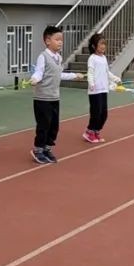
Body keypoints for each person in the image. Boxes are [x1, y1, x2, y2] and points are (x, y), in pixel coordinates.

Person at [29, 26, 83, 164]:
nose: (60, 42)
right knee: (44, 125)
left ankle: (47, 148)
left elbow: (59, 74)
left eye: (61, 40)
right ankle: (38, 150)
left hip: (54, 97)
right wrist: (34, 79)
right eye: (57, 39)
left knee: (54, 126)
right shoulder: (43, 57)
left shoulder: (58, 58)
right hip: (42, 98)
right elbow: (39, 72)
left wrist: (74, 75)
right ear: (48, 41)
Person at [85, 33, 121, 144]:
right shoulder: (92, 58)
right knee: (96, 113)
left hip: (104, 89)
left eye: (104, 44)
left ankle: (96, 130)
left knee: (104, 114)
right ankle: (89, 132)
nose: (103, 46)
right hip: (95, 91)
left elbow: (107, 72)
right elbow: (90, 72)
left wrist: (115, 79)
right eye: (101, 44)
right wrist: (91, 83)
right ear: (94, 46)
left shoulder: (104, 58)